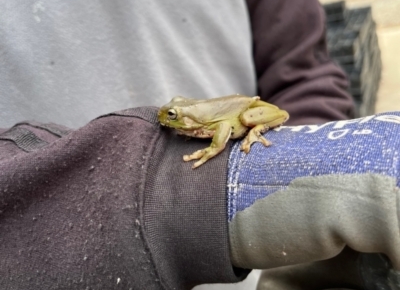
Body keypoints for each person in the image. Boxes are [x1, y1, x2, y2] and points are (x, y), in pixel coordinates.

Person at [0, 0, 357, 288]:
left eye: (170, 115)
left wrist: (296, 219)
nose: (161, 117)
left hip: (256, 255)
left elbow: (302, 72)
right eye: (167, 114)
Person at [1, 108, 400, 290]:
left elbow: (299, 68)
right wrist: (189, 192)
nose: (167, 122)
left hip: (246, 123)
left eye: (174, 119)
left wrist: (308, 150)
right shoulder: (185, 122)